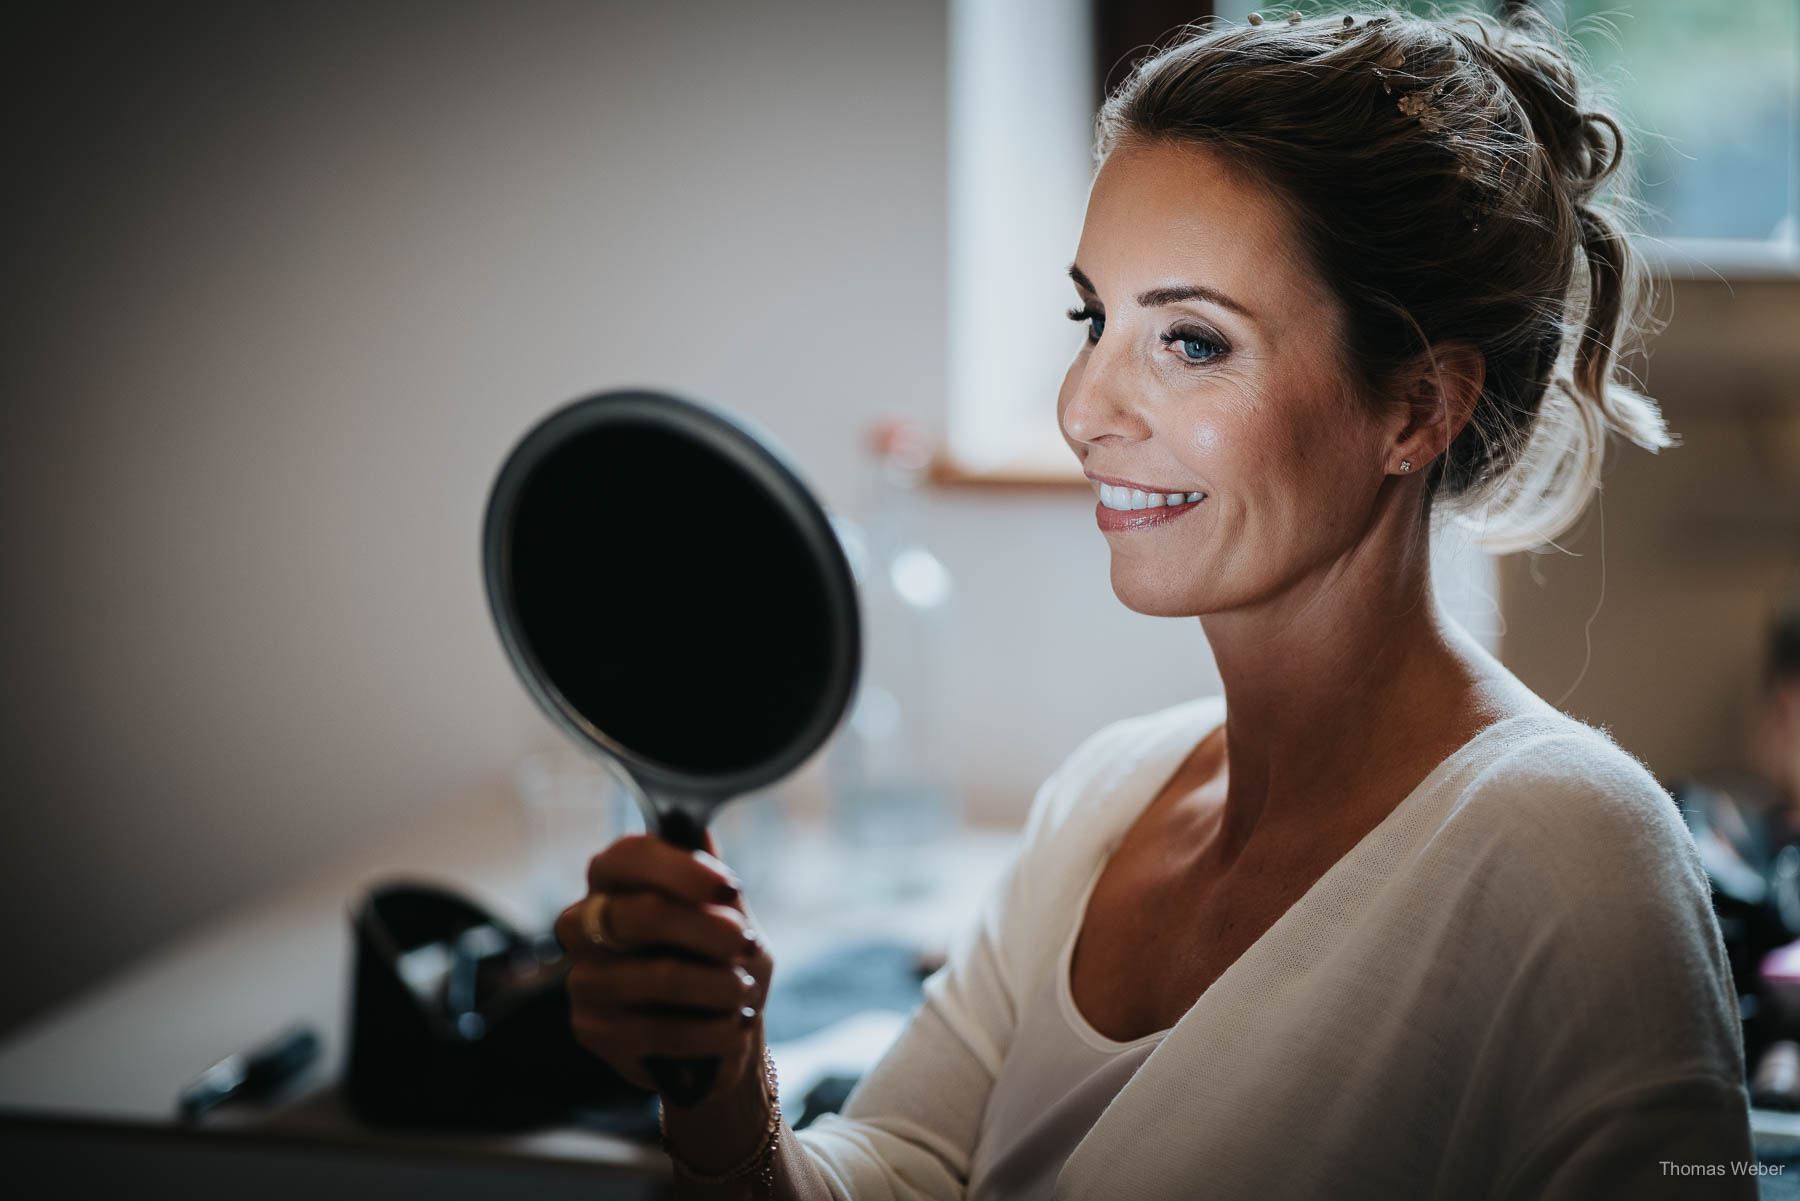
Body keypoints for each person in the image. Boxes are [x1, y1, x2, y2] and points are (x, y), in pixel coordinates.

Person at [552, 6, 1756, 1198]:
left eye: (1190, 341)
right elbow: (909, 1166)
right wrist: (720, 1084)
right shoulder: (1108, 796)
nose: (1084, 407)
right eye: (1094, 319)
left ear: (1417, 408)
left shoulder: (1576, 860)